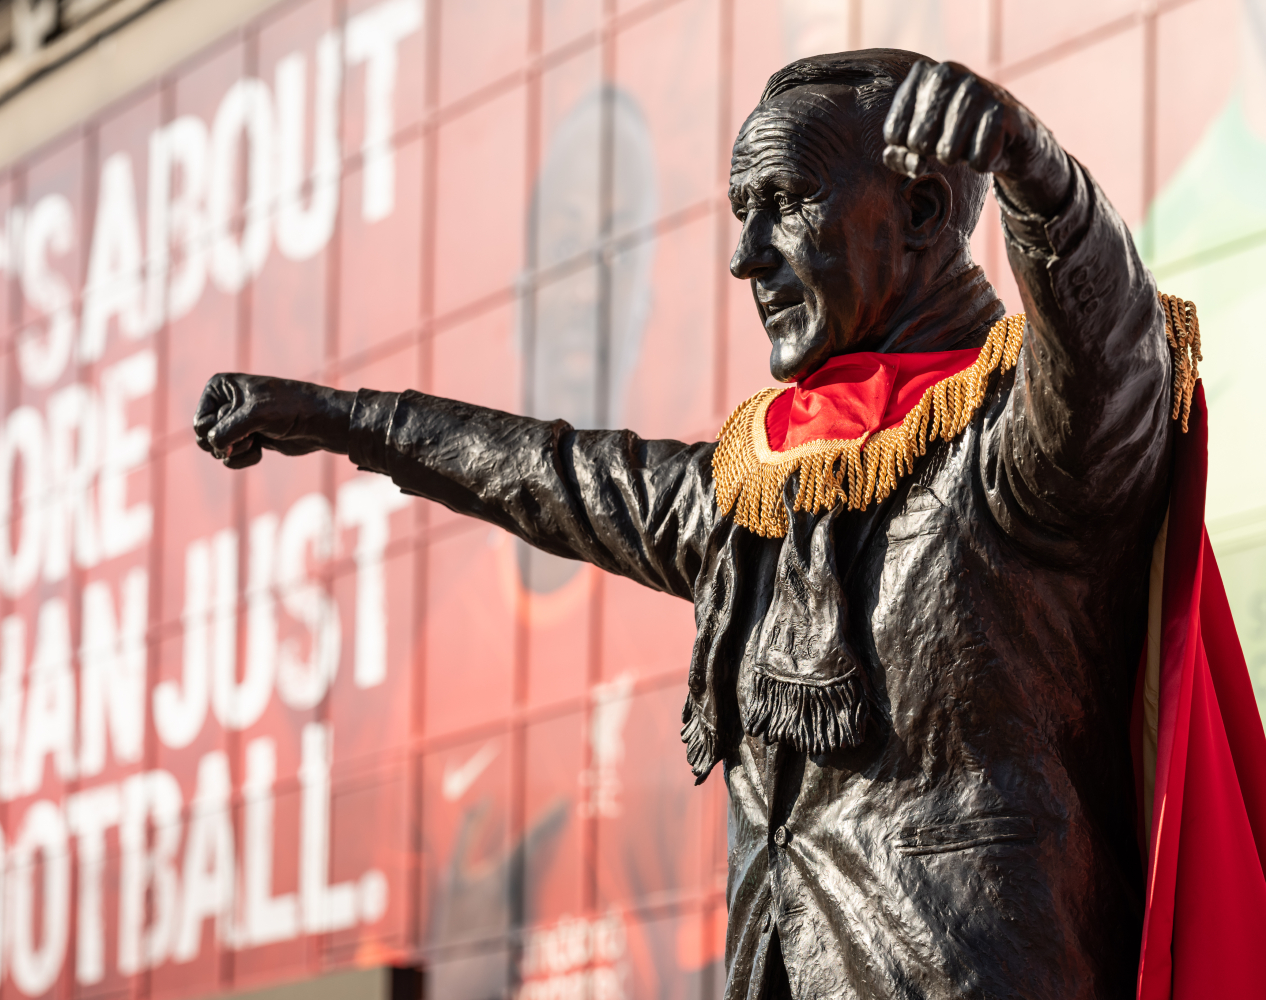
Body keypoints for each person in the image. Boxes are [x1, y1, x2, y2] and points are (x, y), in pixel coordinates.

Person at [194, 50, 1176, 999]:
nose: (747, 257)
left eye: (784, 203)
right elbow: (549, 473)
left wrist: (1041, 179)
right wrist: (336, 418)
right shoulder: (753, 489)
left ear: (916, 211)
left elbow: (1113, 349)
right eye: (740, 213)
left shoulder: (1027, 448)